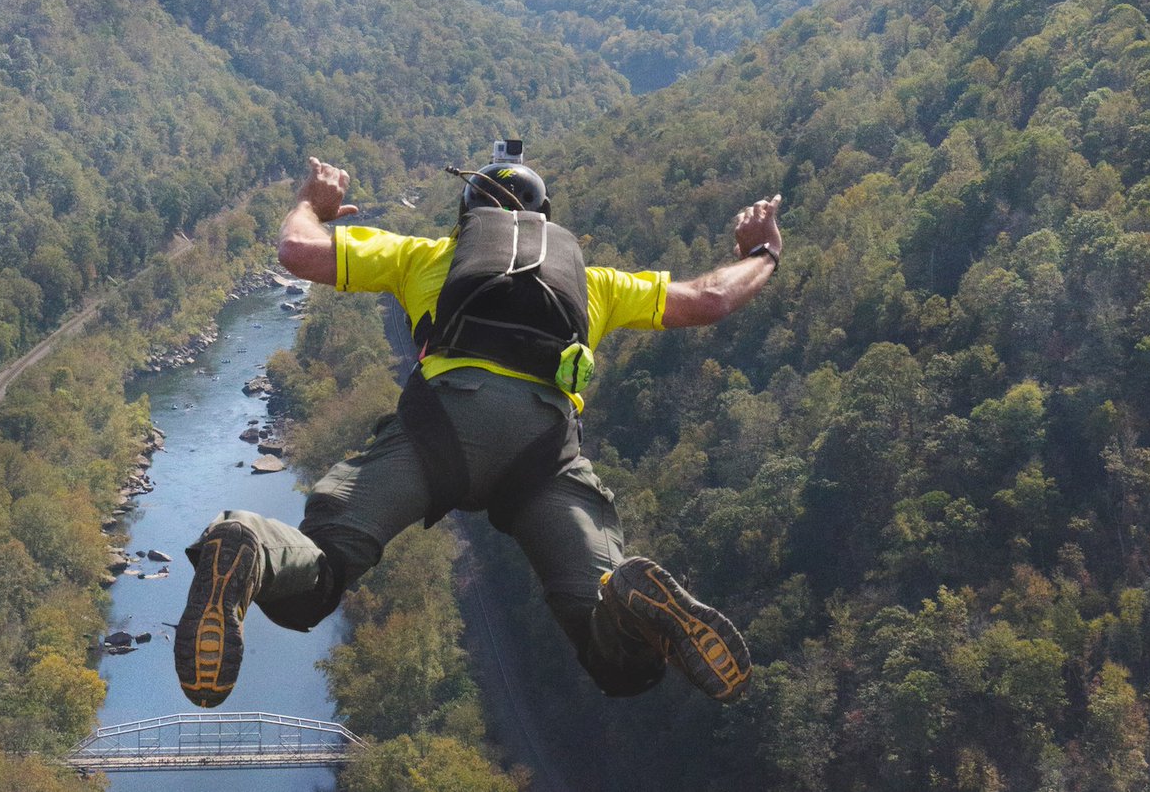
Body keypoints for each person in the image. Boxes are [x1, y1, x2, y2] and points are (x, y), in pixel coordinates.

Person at [175, 153, 783, 708]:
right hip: (544, 454)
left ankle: (250, 542)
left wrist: (314, 203)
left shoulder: (427, 257)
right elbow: (709, 300)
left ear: (467, 221)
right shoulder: (594, 283)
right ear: (546, 222)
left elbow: (297, 252)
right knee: (619, 661)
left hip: (439, 430)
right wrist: (762, 254)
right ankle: (622, 601)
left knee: (318, 577)